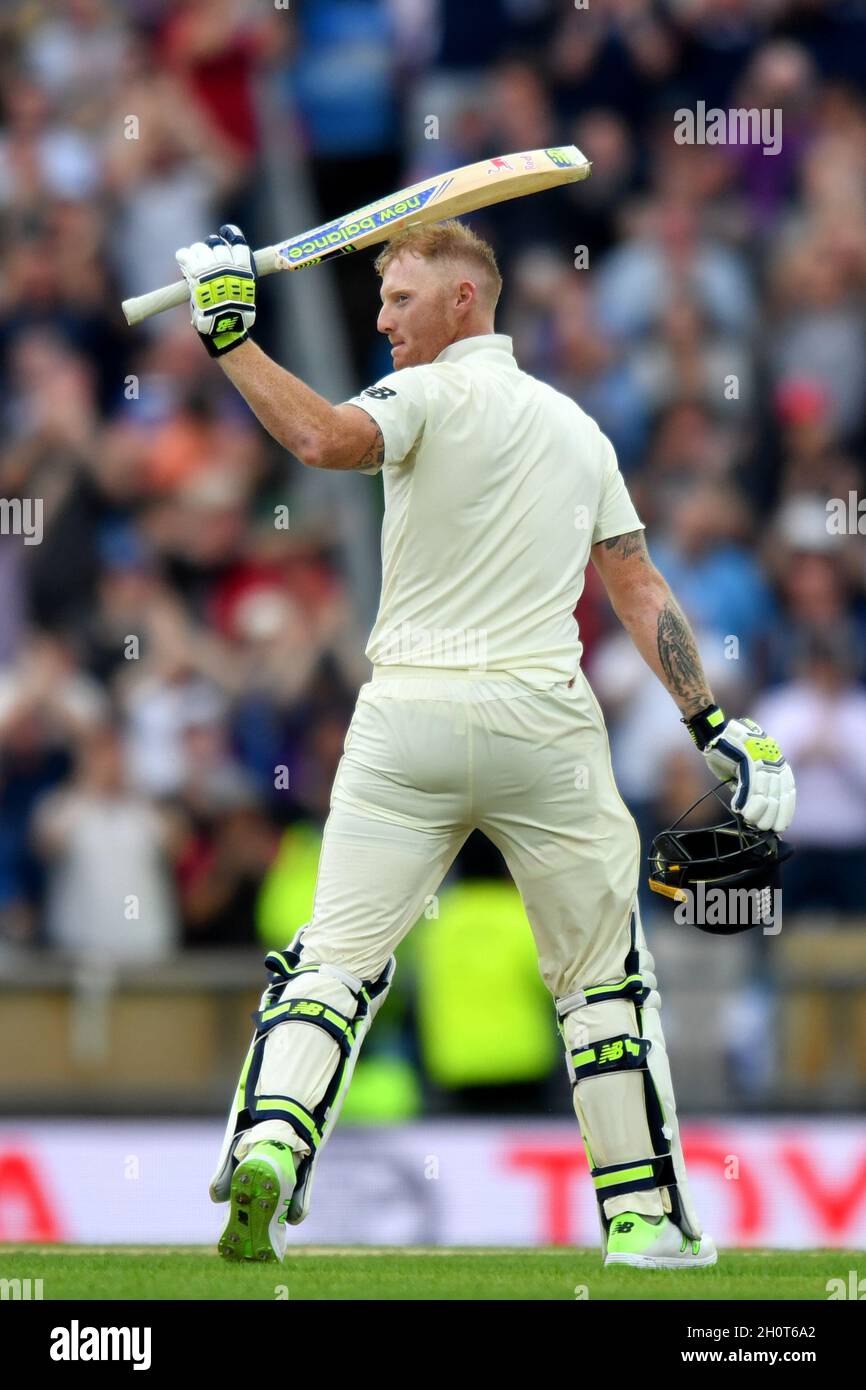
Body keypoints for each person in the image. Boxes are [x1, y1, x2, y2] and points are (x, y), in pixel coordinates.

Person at [173, 220, 795, 1267]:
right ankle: (640, 1219)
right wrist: (713, 724)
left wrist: (231, 337)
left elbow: (321, 440)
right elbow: (637, 591)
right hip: (540, 720)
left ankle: (273, 1146)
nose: (379, 322)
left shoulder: (420, 395)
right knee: (601, 979)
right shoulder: (578, 429)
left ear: (465, 302)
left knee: (330, 967)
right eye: (377, 303)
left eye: (400, 301)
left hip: (405, 715)